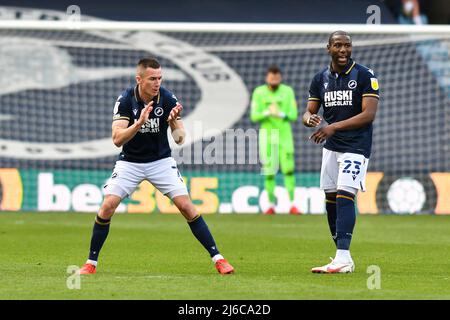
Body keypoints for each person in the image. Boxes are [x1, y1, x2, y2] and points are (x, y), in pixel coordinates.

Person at [77, 58, 234, 275]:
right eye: (152, 78)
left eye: (160, 78)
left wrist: (173, 121)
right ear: (139, 79)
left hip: (160, 161)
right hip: (130, 162)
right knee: (107, 206)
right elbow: (117, 139)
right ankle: (90, 264)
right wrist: (139, 123)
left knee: (187, 207)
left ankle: (219, 259)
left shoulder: (167, 98)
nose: (157, 83)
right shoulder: (125, 100)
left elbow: (179, 139)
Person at [302, 31, 379, 273]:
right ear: (329, 48)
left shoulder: (365, 75)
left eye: (347, 45)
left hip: (356, 146)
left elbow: (368, 115)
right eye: (338, 45)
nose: (343, 50)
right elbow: (308, 112)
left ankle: (343, 257)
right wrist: (310, 119)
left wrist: (332, 127)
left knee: (346, 193)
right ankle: (342, 256)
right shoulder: (320, 79)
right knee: (331, 199)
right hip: (331, 147)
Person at [250, 65, 300, 215]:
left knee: (289, 170)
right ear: (267, 78)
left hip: (284, 137)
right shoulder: (259, 92)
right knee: (269, 172)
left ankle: (292, 204)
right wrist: (267, 112)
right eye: (272, 78)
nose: (274, 80)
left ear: (280, 78)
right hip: (267, 137)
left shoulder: (288, 91)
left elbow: (294, 115)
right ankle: (270, 205)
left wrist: (280, 114)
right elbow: (254, 116)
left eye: (277, 78)